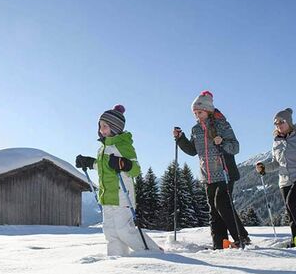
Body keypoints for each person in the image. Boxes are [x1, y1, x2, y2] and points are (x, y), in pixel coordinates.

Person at [76, 104, 162, 256]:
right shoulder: (102, 148)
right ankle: (117, 260)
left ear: (115, 127)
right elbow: (104, 167)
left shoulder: (124, 145)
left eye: (105, 126)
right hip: (106, 195)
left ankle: (153, 252)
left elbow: (135, 169)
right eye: (100, 126)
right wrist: (90, 162)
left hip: (122, 195)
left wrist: (123, 163)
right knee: (110, 231)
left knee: (124, 230)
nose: (101, 129)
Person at [173, 91, 250, 249]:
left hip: (225, 172)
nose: (197, 115)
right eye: (195, 113)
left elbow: (235, 147)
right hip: (207, 175)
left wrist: (222, 142)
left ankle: (242, 238)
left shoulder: (222, 125)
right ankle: (219, 244)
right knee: (214, 210)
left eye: (199, 112)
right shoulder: (196, 129)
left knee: (222, 203)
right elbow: (193, 151)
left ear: (208, 111)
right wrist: (180, 139)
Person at [255, 108, 296, 246]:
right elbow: (276, 164)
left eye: (281, 122)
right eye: (276, 123)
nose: (278, 125)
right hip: (285, 180)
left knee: (293, 202)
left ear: (289, 122)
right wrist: (264, 168)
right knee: (291, 210)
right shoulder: (276, 142)